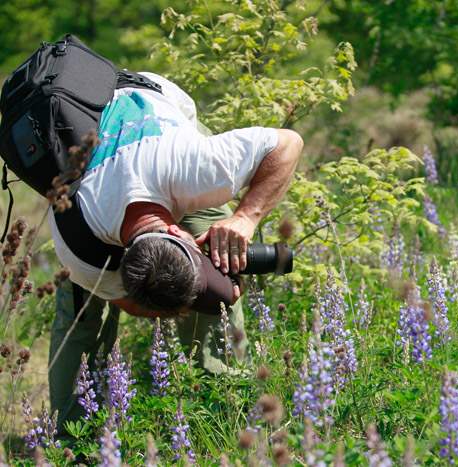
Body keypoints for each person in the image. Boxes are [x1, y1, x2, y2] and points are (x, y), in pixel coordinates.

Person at [48, 71, 303, 431]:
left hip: (146, 99)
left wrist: (244, 220)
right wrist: (184, 300)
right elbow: (132, 301)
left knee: (221, 250)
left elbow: (288, 143)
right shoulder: (79, 248)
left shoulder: (198, 165)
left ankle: (223, 404)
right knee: (78, 314)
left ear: (175, 231)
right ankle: (73, 435)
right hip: (79, 147)